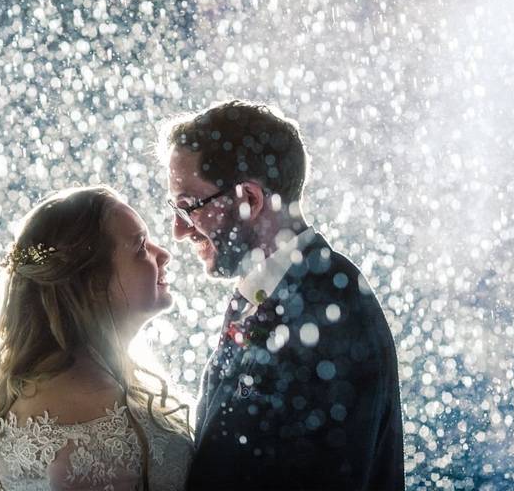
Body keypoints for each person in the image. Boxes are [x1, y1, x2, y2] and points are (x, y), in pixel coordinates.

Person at [163, 100, 404, 490]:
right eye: (175, 208)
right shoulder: (268, 291)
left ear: (250, 201)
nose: (178, 229)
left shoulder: (334, 312)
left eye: (190, 207)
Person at [0, 186, 193, 491]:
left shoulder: (96, 376)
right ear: (93, 284)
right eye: (140, 247)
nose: (163, 254)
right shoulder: (80, 423)